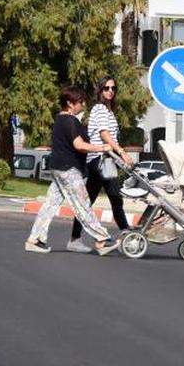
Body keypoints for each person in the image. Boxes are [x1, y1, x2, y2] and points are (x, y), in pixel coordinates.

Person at [25, 85, 121, 255]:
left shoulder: (60, 119)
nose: (83, 104)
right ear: (70, 103)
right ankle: (102, 239)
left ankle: (35, 239)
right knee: (82, 204)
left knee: (50, 204)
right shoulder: (70, 121)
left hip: (58, 167)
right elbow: (79, 145)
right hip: (69, 169)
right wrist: (102, 148)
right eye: (80, 102)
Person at [67, 76, 136, 252]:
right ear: (100, 90)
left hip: (104, 160)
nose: (110, 91)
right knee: (115, 197)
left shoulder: (109, 111)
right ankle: (125, 235)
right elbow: (104, 134)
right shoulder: (99, 109)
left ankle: (75, 238)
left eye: (113, 88)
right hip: (100, 160)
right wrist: (122, 152)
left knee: (91, 201)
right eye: (106, 88)